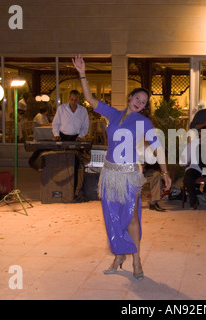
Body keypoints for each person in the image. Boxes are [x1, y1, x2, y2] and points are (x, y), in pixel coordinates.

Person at [72, 54, 172, 281]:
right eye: (137, 98)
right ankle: (119, 255)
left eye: (144, 102)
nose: (139, 102)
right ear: (130, 97)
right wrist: (82, 74)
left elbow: (157, 147)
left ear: (145, 107)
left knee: (131, 217)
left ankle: (136, 260)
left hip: (129, 174)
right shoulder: (113, 114)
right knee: (112, 217)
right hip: (109, 173)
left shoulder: (144, 123)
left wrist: (165, 172)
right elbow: (88, 98)